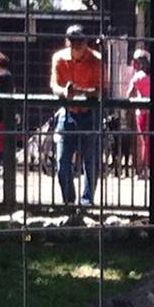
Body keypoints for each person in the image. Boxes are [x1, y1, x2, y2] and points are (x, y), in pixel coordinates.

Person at [49, 23, 104, 222]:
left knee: (91, 161)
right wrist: (64, 92)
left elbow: (100, 90)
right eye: (73, 41)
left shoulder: (96, 60)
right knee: (62, 162)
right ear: (67, 42)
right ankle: (69, 202)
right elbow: (54, 85)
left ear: (86, 42)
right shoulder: (59, 58)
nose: (76, 45)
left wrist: (79, 92)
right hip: (67, 113)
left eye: (80, 41)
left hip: (90, 114)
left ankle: (87, 203)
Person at [128, 46, 152, 178]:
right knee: (150, 141)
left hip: (141, 111)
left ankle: (143, 170)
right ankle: (146, 169)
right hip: (152, 111)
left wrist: (138, 97)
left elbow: (129, 94)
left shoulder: (137, 77)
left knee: (145, 141)